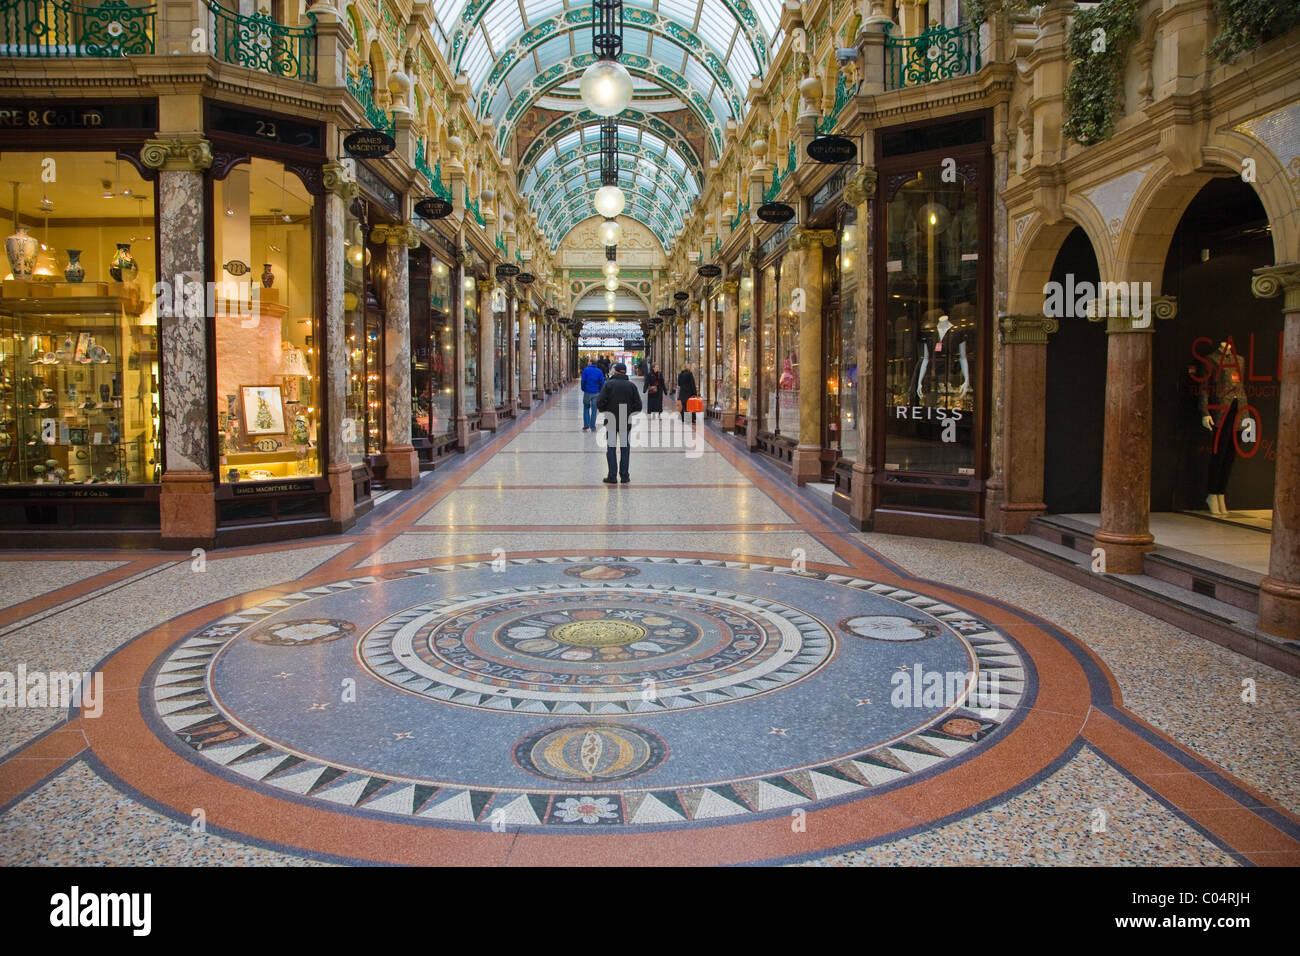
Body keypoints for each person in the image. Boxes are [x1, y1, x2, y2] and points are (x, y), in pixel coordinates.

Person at [596, 362, 642, 484]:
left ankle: (612, 476)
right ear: (625, 372)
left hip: (611, 420)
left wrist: (605, 410)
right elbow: (639, 406)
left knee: (611, 448)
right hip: (625, 421)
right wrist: (629, 413)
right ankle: (624, 476)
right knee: (625, 449)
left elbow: (599, 402)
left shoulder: (609, 384)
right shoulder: (631, 386)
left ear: (615, 371)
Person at [579, 356, 605, 432]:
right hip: (596, 392)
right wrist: (599, 390)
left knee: (586, 407)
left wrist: (583, 388)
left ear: (590, 362)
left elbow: (583, 381)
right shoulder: (599, 371)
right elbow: (602, 382)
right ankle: (592, 426)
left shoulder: (586, 370)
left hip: (587, 391)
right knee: (594, 409)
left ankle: (586, 425)